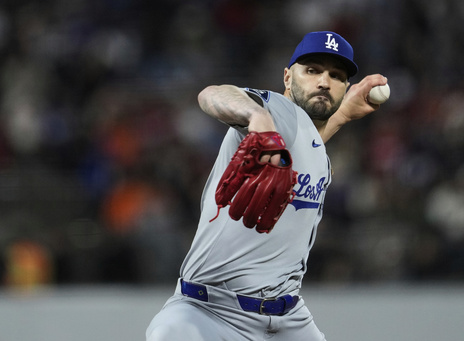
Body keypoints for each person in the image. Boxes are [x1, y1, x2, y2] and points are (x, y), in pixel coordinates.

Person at [146, 31, 387, 340]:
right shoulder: (275, 110)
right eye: (312, 70)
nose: (324, 81)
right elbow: (212, 94)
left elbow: (303, 145)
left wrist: (342, 116)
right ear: (287, 77)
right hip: (210, 312)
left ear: (344, 88)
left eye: (336, 75)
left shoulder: (315, 148)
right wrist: (255, 114)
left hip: (289, 319)